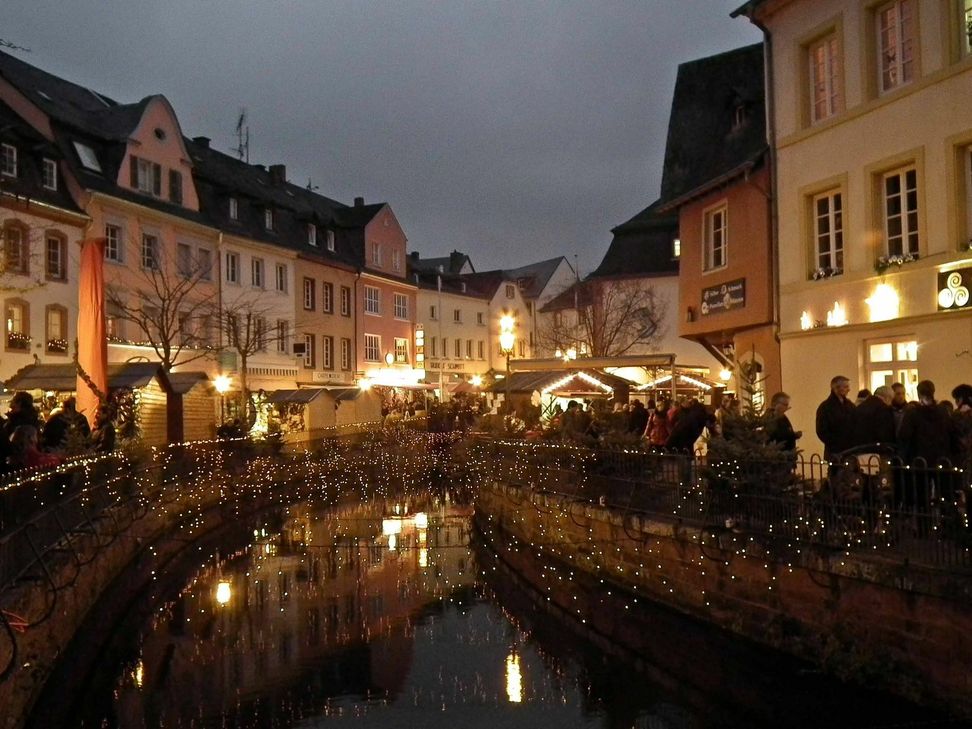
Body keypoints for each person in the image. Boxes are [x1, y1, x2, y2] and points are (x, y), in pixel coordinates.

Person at [815, 376, 856, 463]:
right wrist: (835, 443)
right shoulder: (825, 407)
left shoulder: (849, 405)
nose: (849, 389)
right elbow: (821, 430)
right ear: (836, 388)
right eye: (845, 387)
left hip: (850, 450)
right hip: (834, 451)